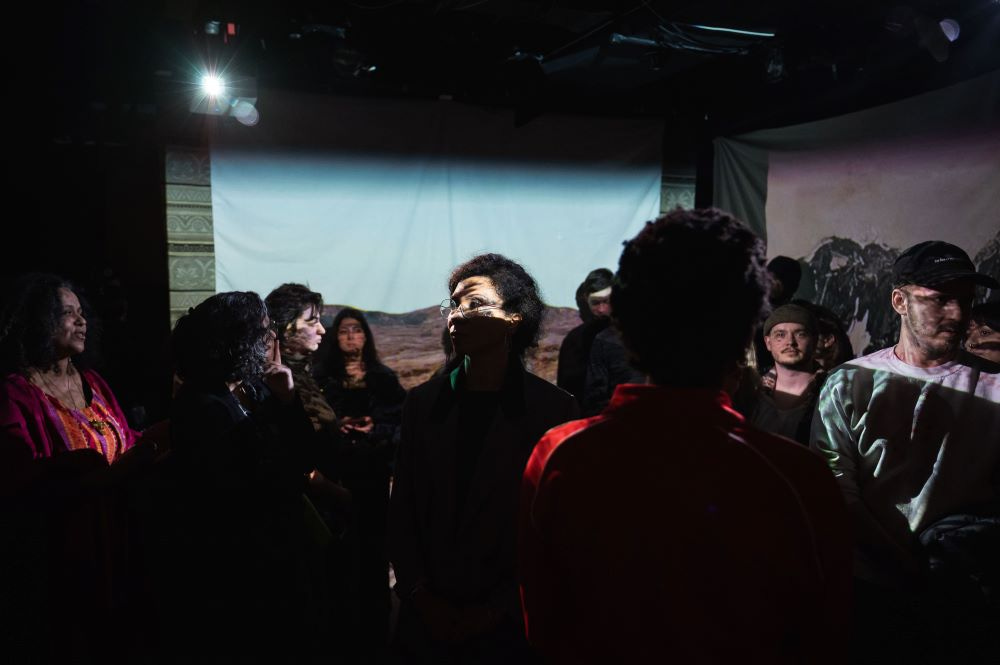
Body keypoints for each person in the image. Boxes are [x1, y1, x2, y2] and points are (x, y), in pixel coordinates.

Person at [520, 209, 851, 665]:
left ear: (625, 327)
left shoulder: (560, 454)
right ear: (745, 333)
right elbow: (822, 635)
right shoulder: (797, 477)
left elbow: (542, 622)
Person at [812, 240, 1000, 663]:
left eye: (965, 300)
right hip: (873, 587)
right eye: (940, 299)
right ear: (900, 301)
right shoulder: (850, 382)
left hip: (966, 591)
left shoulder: (995, 384)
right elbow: (835, 489)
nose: (957, 313)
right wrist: (900, 561)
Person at [389, 253, 578, 664]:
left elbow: (552, 528)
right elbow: (403, 508)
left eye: (474, 303)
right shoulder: (422, 404)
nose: (456, 316)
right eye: (453, 304)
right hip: (427, 620)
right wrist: (420, 595)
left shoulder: (552, 410)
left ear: (514, 318)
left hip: (508, 628)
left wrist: (498, 608)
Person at [155, 291, 332, 664]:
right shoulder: (201, 403)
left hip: (277, 553)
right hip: (239, 566)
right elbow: (245, 486)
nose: (272, 339)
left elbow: (306, 455)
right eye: (263, 330)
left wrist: (288, 398)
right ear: (237, 338)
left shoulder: (255, 388)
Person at [0, 272, 161, 664]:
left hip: (120, 542)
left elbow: (126, 440)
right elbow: (23, 483)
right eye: (67, 313)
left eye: (81, 311)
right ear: (38, 321)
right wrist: (101, 474)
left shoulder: (93, 381)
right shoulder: (15, 393)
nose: (81, 320)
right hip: (64, 556)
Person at [319, 306, 406, 660]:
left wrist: (376, 429)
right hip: (333, 477)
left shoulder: (384, 379)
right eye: (343, 330)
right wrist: (335, 427)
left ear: (366, 336)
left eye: (356, 329)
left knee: (373, 553)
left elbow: (400, 423)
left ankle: (376, 632)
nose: (351, 336)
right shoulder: (322, 379)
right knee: (339, 555)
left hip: (371, 476)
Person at [743, 303, 826, 445]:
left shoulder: (832, 392)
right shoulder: (751, 391)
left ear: (815, 340)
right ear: (768, 342)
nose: (790, 342)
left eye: (800, 334)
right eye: (780, 335)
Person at [556, 268, 613, 407]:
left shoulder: (627, 334)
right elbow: (567, 388)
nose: (602, 309)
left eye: (607, 301)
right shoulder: (574, 340)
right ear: (586, 299)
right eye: (596, 303)